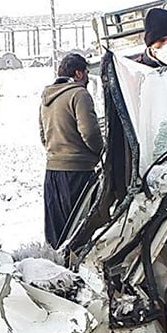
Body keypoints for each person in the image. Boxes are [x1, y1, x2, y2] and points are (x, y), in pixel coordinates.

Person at [39, 52, 104, 247]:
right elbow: (90, 132)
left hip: (52, 174)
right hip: (78, 173)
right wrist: (100, 152)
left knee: (57, 238)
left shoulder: (46, 98)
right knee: (79, 234)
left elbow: (43, 135)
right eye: (85, 73)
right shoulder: (79, 94)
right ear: (78, 73)